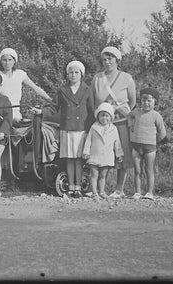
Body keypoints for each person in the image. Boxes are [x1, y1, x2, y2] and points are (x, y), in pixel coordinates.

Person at [34, 61, 94, 198]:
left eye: (76, 72)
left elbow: (91, 111)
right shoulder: (62, 90)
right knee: (69, 159)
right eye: (71, 72)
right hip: (66, 129)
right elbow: (53, 107)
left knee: (79, 159)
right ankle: (71, 187)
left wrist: (89, 129)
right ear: (67, 74)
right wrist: (41, 111)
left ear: (81, 74)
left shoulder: (87, 90)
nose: (73, 75)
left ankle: (78, 187)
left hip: (81, 129)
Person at [91, 46, 136, 198]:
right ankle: (98, 189)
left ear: (117, 59)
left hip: (121, 121)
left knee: (121, 154)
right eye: (104, 59)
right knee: (101, 154)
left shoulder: (126, 77)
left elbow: (132, 101)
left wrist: (119, 111)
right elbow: (92, 99)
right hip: (102, 122)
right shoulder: (97, 78)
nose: (107, 62)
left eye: (110, 58)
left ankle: (119, 189)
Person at [128, 87, 167, 200]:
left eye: (149, 100)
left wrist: (158, 143)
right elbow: (129, 116)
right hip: (136, 146)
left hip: (150, 148)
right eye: (144, 100)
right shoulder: (136, 112)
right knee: (137, 170)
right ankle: (137, 192)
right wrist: (131, 126)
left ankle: (149, 192)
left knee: (149, 170)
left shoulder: (156, 115)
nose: (146, 103)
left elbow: (162, 131)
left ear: (155, 102)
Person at [0, 48, 53, 122]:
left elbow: (35, 88)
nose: (7, 63)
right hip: (0, 113)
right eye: (4, 60)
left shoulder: (20, 74)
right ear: (1, 61)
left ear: (14, 61)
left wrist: (50, 100)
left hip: (16, 113)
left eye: (10, 60)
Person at [82, 102, 123, 199]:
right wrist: (86, 152)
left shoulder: (113, 129)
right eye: (102, 116)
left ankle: (102, 191)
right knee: (94, 174)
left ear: (111, 117)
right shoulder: (94, 127)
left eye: (107, 116)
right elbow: (88, 140)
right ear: (98, 117)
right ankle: (94, 192)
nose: (104, 118)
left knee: (103, 175)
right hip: (94, 154)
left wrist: (119, 154)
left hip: (106, 156)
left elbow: (117, 142)